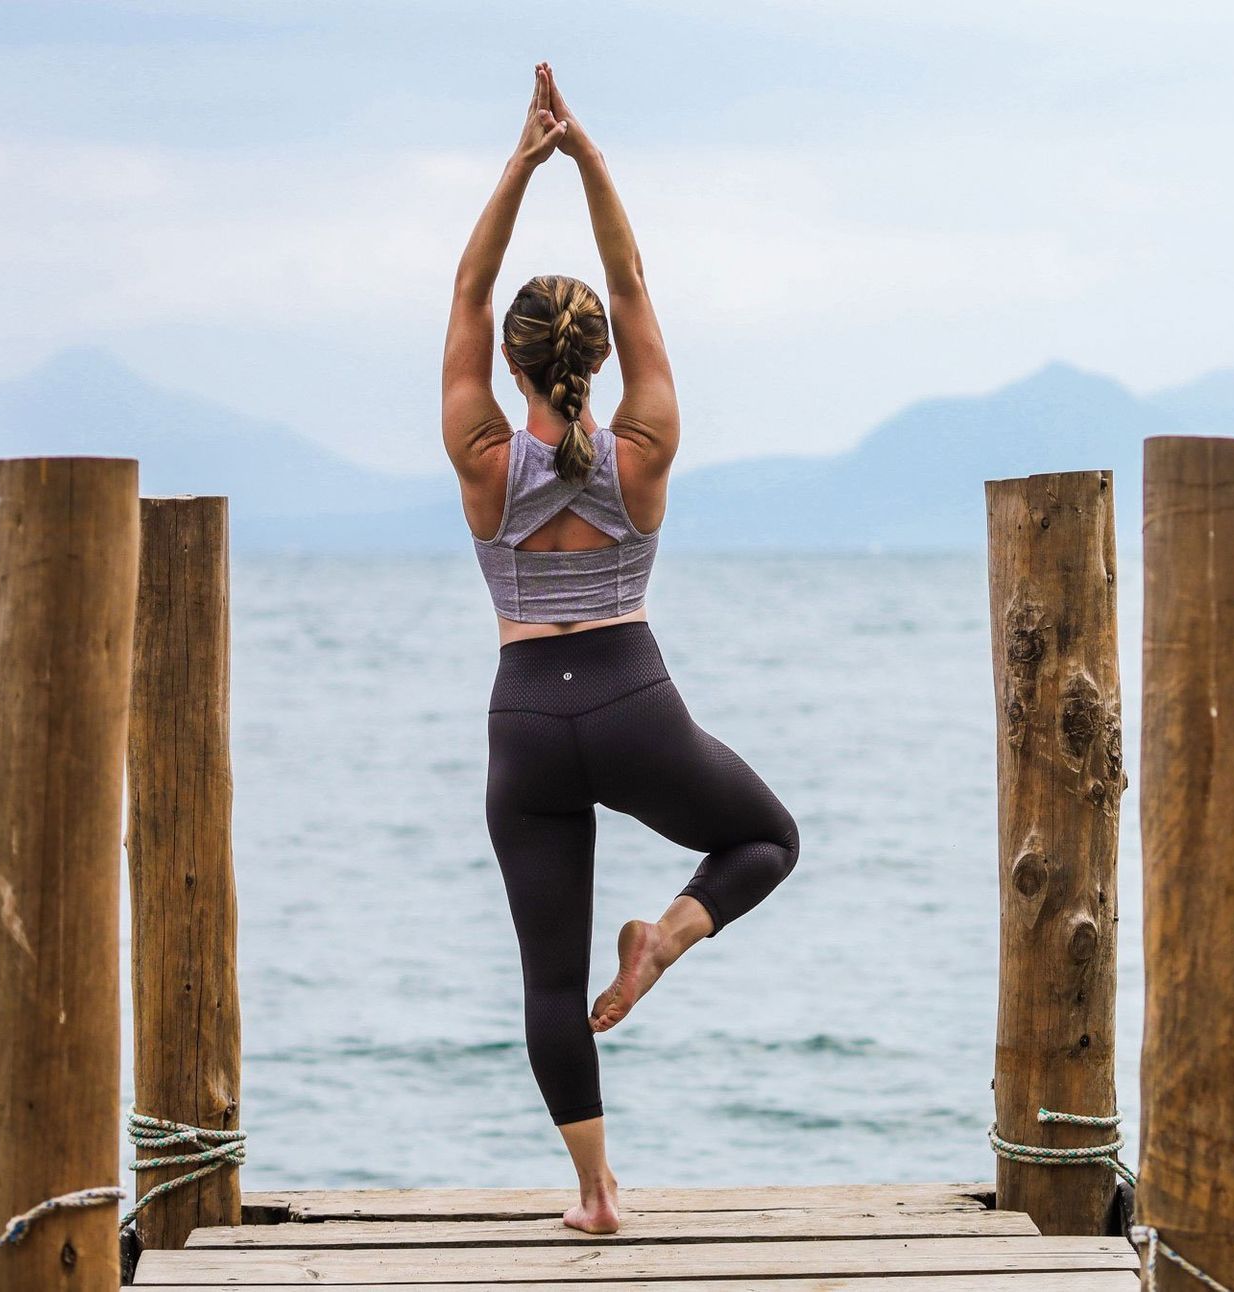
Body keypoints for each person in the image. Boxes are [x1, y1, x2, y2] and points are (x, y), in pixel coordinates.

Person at [440, 63, 801, 1234]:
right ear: (593, 358)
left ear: (513, 364)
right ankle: (664, 936)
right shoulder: (643, 445)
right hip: (633, 700)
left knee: (547, 978)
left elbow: (467, 284)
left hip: (525, 725)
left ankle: (596, 1195)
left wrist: (519, 163)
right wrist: (588, 157)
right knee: (764, 837)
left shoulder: (483, 453)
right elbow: (634, 277)